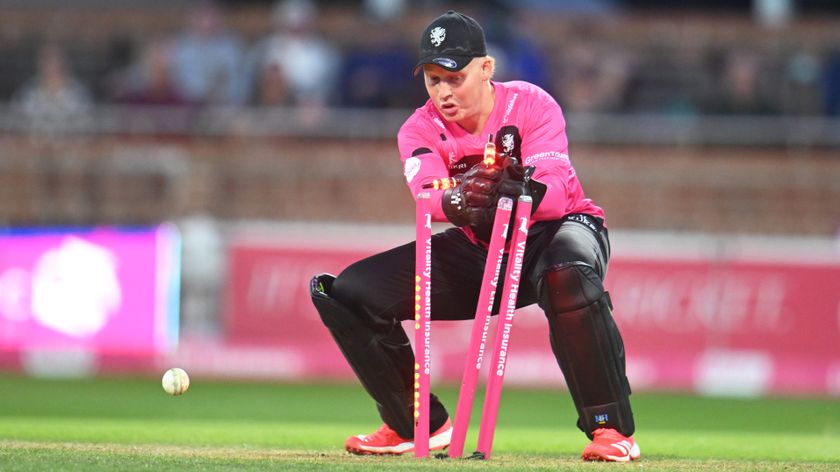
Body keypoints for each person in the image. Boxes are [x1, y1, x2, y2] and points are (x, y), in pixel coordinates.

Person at [309, 10, 639, 462]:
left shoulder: (530, 104)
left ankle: (612, 430)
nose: (443, 92)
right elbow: (428, 197)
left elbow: (557, 196)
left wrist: (515, 189)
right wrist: (459, 201)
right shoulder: (418, 128)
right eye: (432, 79)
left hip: (556, 232)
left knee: (569, 276)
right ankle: (418, 423)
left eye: (454, 77)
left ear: (486, 69)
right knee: (346, 292)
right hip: (481, 245)